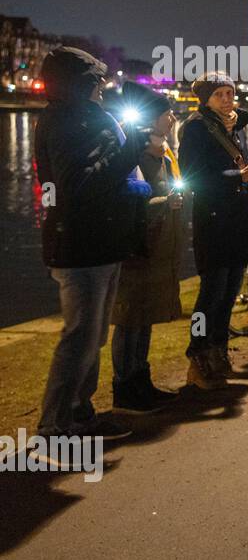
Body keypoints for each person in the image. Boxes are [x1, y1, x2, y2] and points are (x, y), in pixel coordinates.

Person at [33, 46, 150, 450]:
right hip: (79, 245)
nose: (104, 88)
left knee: (93, 335)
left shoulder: (79, 117)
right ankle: (54, 428)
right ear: (81, 85)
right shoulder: (65, 121)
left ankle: (80, 414)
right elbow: (79, 186)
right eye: (96, 82)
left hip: (98, 242)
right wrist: (129, 150)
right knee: (80, 336)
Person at [179, 72, 248, 388]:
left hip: (236, 218)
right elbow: (192, 176)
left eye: (230, 93)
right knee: (210, 293)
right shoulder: (196, 129)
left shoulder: (230, 127)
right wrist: (238, 176)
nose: (227, 100)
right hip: (213, 220)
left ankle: (217, 349)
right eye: (220, 95)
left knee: (229, 292)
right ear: (206, 99)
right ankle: (198, 354)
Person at [109, 82, 185, 412]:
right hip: (137, 249)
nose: (172, 117)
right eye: (166, 113)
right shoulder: (136, 154)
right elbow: (127, 201)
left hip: (156, 246)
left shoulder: (164, 152)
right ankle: (125, 389)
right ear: (151, 119)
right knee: (129, 318)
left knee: (145, 316)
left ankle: (141, 381)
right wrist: (163, 203)